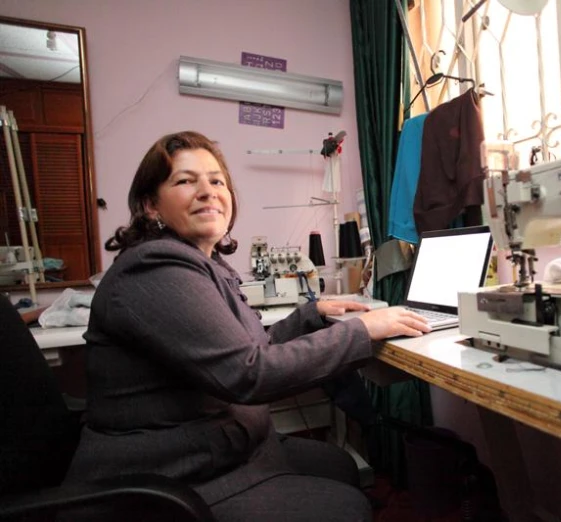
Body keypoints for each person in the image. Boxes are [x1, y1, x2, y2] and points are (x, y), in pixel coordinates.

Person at [62, 131, 431, 521]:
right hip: (171, 475)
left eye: (217, 180)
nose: (208, 191)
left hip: (209, 450)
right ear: (152, 206)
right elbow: (249, 374)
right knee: (347, 506)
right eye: (186, 181)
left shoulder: (200, 265)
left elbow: (247, 346)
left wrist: (312, 314)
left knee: (338, 464)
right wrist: (361, 331)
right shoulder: (154, 270)